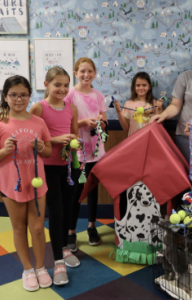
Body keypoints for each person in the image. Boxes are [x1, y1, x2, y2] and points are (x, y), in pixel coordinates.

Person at [0, 75, 52, 291]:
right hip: (11, 184)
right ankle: (27, 269)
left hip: (37, 184)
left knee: (38, 228)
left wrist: (40, 147)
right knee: (19, 228)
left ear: (29, 96)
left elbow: (48, 152)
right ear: (5, 96)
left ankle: (41, 267)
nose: (18, 99)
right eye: (13, 95)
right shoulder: (1, 122)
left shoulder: (38, 122)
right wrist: (5, 151)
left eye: (23, 95)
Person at [30, 67, 80, 285]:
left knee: (68, 209)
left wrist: (74, 146)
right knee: (57, 211)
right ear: (46, 84)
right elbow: (34, 139)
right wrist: (57, 140)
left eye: (66, 85)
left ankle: (63, 248)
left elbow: (75, 134)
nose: (62, 89)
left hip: (69, 167)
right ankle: (58, 262)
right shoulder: (38, 107)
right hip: (47, 168)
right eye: (57, 84)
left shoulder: (72, 108)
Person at [63, 57, 108, 251]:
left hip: (96, 152)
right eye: (82, 71)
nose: (86, 75)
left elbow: (105, 122)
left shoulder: (98, 95)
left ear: (95, 74)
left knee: (92, 191)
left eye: (90, 71)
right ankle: (71, 231)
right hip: (77, 153)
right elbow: (64, 121)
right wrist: (83, 123)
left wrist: (100, 121)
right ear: (75, 73)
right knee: (76, 193)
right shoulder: (70, 95)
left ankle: (91, 226)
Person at [114, 72, 163, 136]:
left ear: (149, 87)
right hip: (134, 141)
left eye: (144, 85)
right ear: (134, 87)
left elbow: (160, 125)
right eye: (138, 85)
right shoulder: (128, 104)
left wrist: (159, 109)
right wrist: (118, 111)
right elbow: (126, 128)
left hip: (149, 139)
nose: (141, 88)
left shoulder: (154, 104)